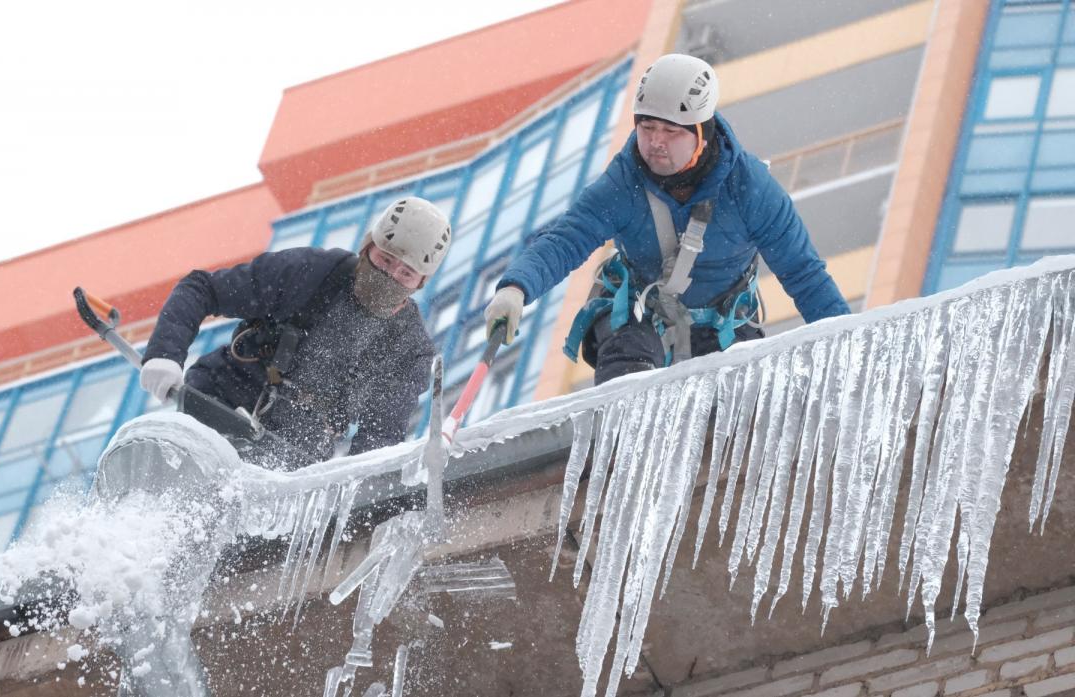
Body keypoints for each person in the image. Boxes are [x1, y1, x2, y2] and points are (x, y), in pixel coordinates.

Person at [484, 53, 850, 385]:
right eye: (647, 128)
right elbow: (566, 240)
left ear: (702, 134)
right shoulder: (624, 182)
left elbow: (804, 275)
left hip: (723, 322)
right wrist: (515, 288)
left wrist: (847, 350)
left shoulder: (749, 188)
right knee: (628, 372)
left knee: (741, 394)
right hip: (637, 313)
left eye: (671, 131)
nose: (656, 142)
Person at [138, 196, 452, 469]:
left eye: (406, 274)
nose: (389, 276)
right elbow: (202, 289)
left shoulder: (408, 349)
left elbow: (379, 439)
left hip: (292, 459)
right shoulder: (311, 273)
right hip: (217, 404)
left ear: (420, 283)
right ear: (367, 247)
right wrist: (164, 354)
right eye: (384, 260)